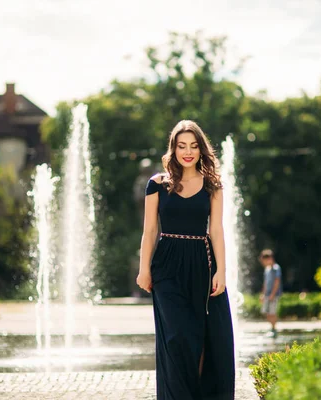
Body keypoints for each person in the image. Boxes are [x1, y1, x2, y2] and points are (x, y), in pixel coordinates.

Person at [137, 120, 235, 400]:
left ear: (201, 149)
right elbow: (150, 230)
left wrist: (222, 272)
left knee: (201, 339)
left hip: (202, 264)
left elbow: (216, 230)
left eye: (193, 146)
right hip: (167, 264)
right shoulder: (156, 184)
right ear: (173, 149)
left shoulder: (213, 185)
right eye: (182, 146)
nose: (188, 152)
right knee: (177, 336)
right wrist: (144, 269)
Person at [259, 249, 282, 337]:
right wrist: (262, 294)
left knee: (272, 312)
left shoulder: (276, 268)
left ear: (269, 259)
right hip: (267, 295)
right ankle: (272, 328)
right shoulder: (267, 269)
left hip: (274, 295)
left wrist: (272, 294)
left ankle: (274, 329)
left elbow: (277, 281)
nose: (263, 263)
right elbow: (265, 283)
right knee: (267, 312)